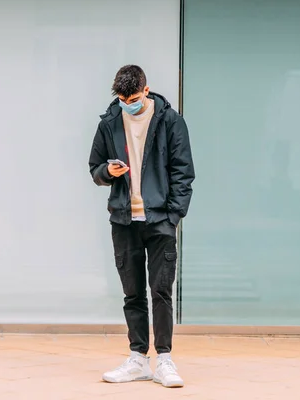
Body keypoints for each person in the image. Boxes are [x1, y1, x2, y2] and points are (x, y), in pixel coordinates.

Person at [88, 65, 195, 388]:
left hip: (160, 219)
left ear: (146, 91)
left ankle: (164, 359)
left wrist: (174, 215)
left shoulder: (171, 122)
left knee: (161, 291)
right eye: (122, 99)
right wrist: (108, 171)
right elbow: (94, 169)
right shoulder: (109, 123)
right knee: (132, 293)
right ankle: (138, 358)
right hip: (124, 220)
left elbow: (183, 172)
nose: (128, 104)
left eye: (133, 98)